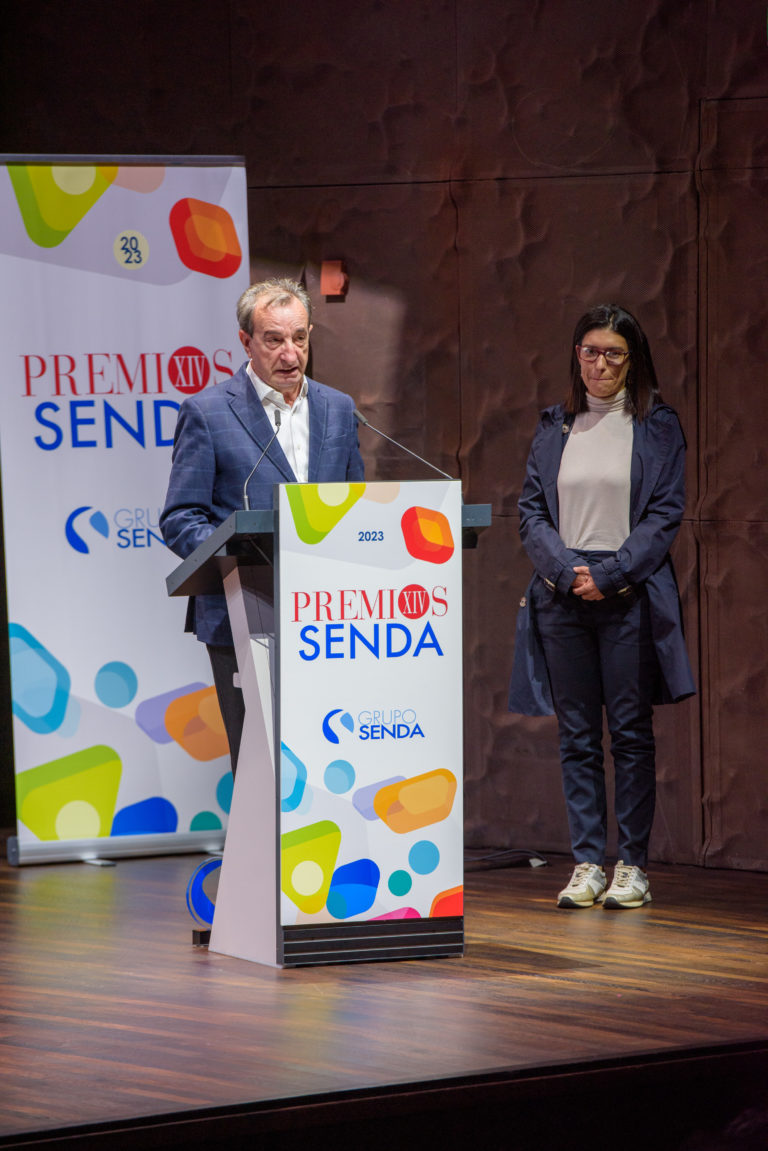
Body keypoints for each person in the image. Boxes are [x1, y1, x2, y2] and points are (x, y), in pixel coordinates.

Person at [508, 304, 695, 909]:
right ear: (576, 356)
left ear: (633, 358)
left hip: (629, 591)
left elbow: (665, 515)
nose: (600, 364)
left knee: (632, 736)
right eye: (590, 351)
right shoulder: (554, 425)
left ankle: (632, 867)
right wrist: (566, 573)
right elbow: (531, 512)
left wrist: (611, 573)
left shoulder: (658, 425)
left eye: (613, 353)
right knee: (578, 737)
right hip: (562, 593)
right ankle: (588, 862)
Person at [160, 277, 364, 773]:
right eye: (274, 339)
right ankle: (263, 855)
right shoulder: (207, 413)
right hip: (242, 613)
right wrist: (238, 555)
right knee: (260, 765)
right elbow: (180, 516)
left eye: (300, 338)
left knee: (326, 761)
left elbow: (357, 509)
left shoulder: (338, 408)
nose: (290, 353)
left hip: (328, 619)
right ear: (247, 342)